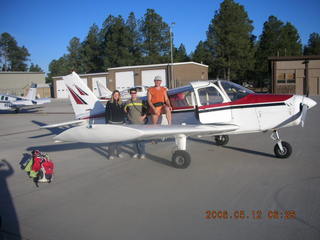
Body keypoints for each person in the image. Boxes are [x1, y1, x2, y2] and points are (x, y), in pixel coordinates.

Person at [124, 88, 147, 159]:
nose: (133, 94)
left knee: (141, 139)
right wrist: (128, 118)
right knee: (134, 139)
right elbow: (125, 110)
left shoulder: (141, 101)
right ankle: (136, 152)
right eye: (132, 93)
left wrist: (143, 116)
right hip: (132, 123)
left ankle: (142, 153)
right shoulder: (128, 102)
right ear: (130, 94)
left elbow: (146, 110)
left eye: (134, 93)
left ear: (136, 93)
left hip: (140, 123)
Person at [105, 90, 126, 160]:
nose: (116, 96)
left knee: (119, 139)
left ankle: (119, 153)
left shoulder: (122, 103)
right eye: (115, 94)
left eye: (117, 94)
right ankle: (111, 154)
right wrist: (107, 122)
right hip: (112, 123)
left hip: (120, 123)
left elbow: (124, 113)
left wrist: (124, 121)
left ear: (119, 96)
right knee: (112, 139)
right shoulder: (109, 103)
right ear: (113, 95)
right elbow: (107, 113)